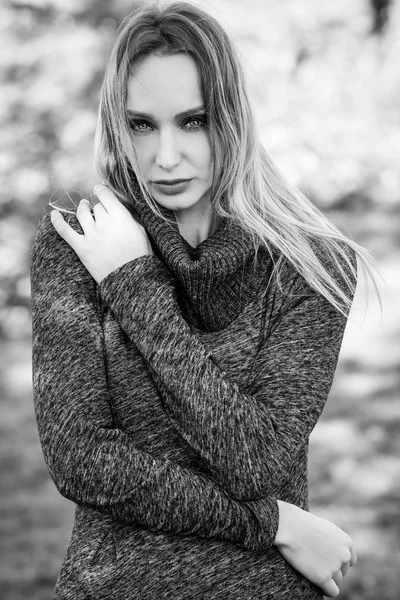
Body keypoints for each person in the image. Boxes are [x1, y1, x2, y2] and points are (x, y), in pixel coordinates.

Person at [30, 2, 379, 599]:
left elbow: (260, 460)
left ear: (233, 118)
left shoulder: (310, 265)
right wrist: (271, 523)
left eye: (194, 121)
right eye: (142, 124)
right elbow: (81, 458)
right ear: (118, 124)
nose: (167, 157)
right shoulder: (78, 241)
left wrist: (133, 283)